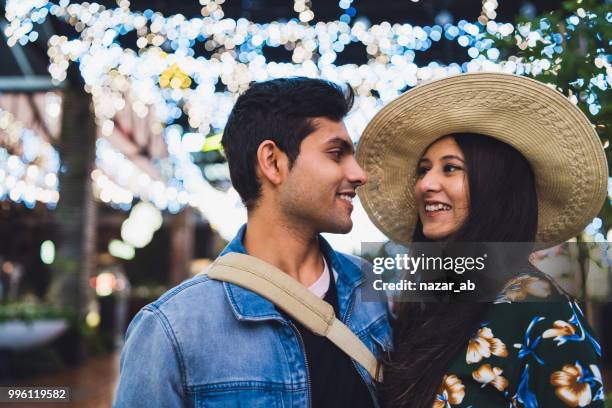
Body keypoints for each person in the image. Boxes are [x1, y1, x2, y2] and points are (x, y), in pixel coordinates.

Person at [113, 77, 392, 408]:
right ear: (273, 162)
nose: (359, 174)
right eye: (336, 154)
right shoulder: (172, 330)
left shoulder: (371, 287)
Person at [356, 72, 607, 407]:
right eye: (423, 169)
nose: (425, 184)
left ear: (494, 187)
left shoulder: (541, 309)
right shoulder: (427, 302)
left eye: (450, 169)